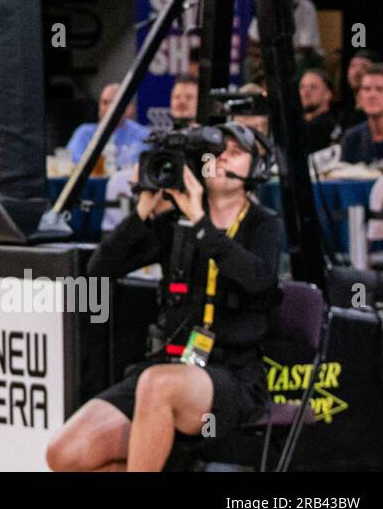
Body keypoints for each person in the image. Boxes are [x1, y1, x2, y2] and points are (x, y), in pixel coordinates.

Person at [46, 121, 282, 472]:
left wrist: (201, 222)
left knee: (157, 385)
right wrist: (141, 211)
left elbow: (258, 281)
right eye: (216, 153)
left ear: (257, 167)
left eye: (235, 153)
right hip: (168, 366)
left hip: (232, 376)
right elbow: (99, 269)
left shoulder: (263, 223)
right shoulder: (176, 225)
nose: (222, 159)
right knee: (64, 454)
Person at [340, 63, 383, 170]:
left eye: (380, 89)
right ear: (359, 97)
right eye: (366, 89)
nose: (372, 95)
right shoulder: (351, 139)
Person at [66, 82, 150, 169]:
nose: (109, 108)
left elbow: (141, 165)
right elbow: (70, 159)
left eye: (114, 102)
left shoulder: (143, 134)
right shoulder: (84, 132)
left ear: (127, 107)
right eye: (105, 102)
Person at [298, 69, 341, 157]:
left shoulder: (327, 126)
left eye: (313, 87)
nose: (305, 92)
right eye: (302, 87)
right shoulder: (297, 123)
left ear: (328, 94)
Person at [338, 49, 379, 129]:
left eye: (364, 67)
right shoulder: (346, 114)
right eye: (353, 66)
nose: (357, 71)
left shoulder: (378, 115)